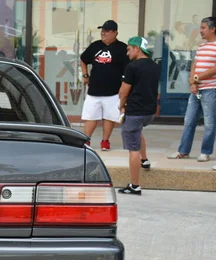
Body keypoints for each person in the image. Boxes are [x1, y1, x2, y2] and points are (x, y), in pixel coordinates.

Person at [168, 16, 216, 166]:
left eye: (203, 28)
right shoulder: (202, 46)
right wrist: (192, 82)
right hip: (197, 89)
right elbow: (195, 64)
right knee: (189, 121)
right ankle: (183, 151)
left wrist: (197, 77)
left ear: (213, 29)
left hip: (211, 89)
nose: (200, 31)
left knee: (209, 123)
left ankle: (205, 152)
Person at [117, 36, 160, 195]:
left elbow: (123, 91)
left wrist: (121, 107)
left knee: (132, 148)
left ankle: (135, 185)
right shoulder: (155, 66)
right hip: (149, 112)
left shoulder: (132, 67)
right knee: (138, 131)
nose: (127, 53)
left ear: (137, 48)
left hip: (135, 112)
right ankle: (145, 160)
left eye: (129, 49)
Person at [80, 20, 129, 150]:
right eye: (102, 31)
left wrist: (124, 88)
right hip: (94, 90)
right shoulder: (95, 46)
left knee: (109, 117)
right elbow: (83, 59)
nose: (103, 33)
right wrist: (85, 75)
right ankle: (86, 141)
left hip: (113, 91)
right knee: (90, 117)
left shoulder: (122, 48)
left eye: (107, 31)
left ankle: (105, 141)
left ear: (115, 33)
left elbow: (128, 69)